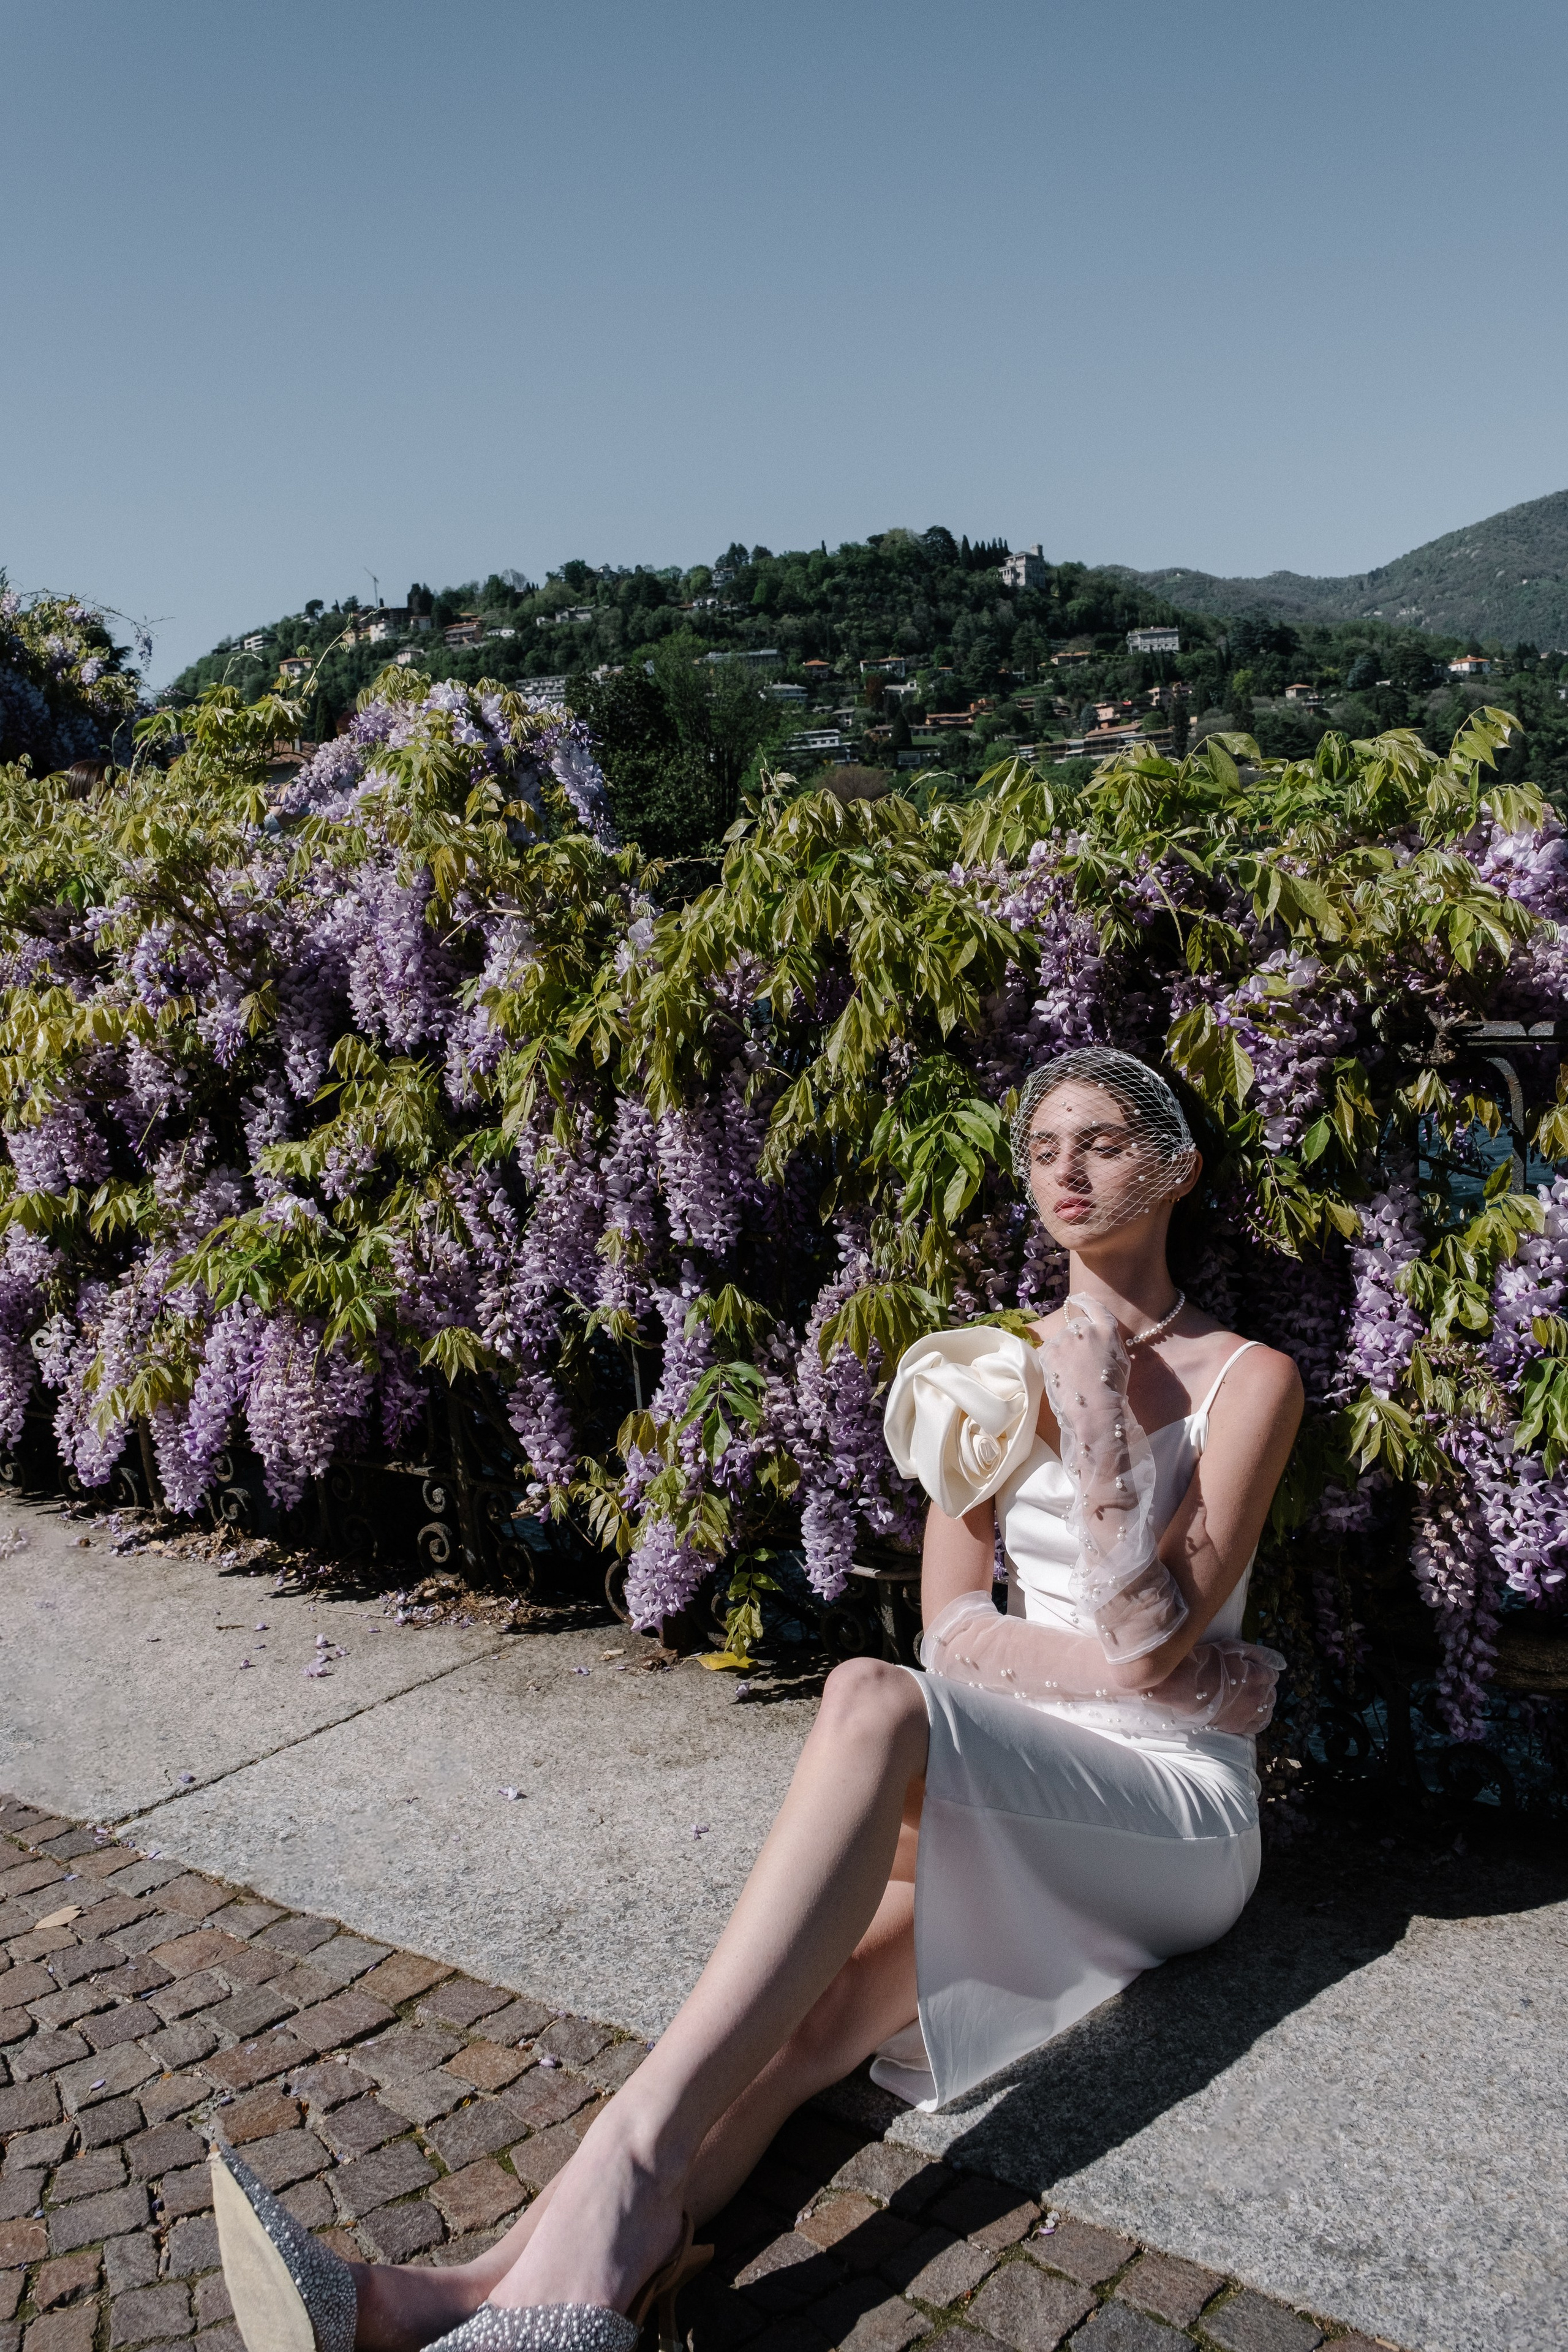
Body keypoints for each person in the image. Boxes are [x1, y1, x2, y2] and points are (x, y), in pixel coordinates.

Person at [211, 1047, 1303, 2352]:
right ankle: (482, 2298)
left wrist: (1103, 1421)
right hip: (1011, 1765)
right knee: (805, 2022)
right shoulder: (982, 1369)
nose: (1065, 1169)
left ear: (1176, 1168)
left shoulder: (1248, 1379)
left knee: (862, 1698)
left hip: (1168, 1819)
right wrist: (1184, 1671)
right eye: (1041, 1147)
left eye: (1106, 1142)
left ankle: (587, 2212)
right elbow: (952, 1633)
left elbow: (1139, 1643)